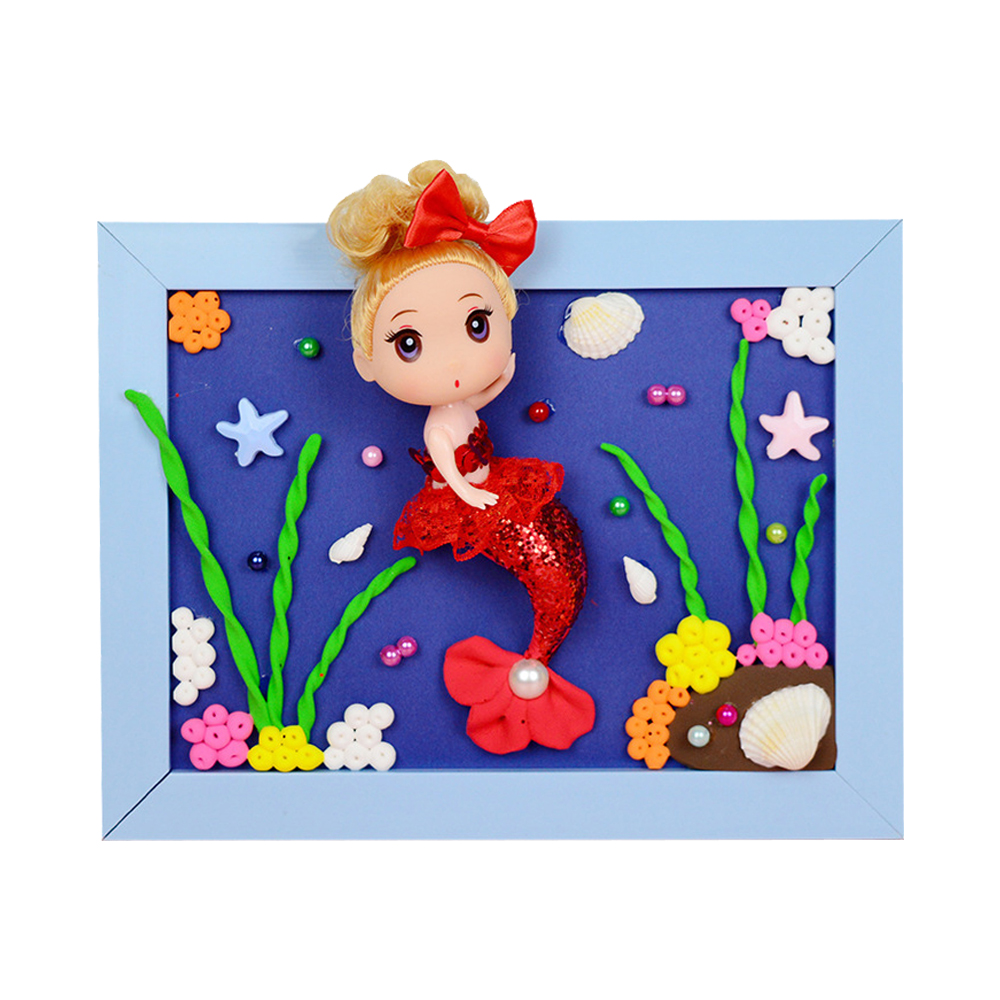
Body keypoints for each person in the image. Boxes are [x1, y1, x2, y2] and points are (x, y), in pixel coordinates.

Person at [329, 161, 594, 754]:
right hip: (466, 493)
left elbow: (474, 399)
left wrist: (500, 381)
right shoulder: (436, 425)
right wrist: (468, 490)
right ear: (367, 361)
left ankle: (537, 653)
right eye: (409, 343)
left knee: (553, 555)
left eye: (476, 324)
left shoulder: (459, 404)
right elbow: (446, 462)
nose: (451, 363)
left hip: (491, 480)